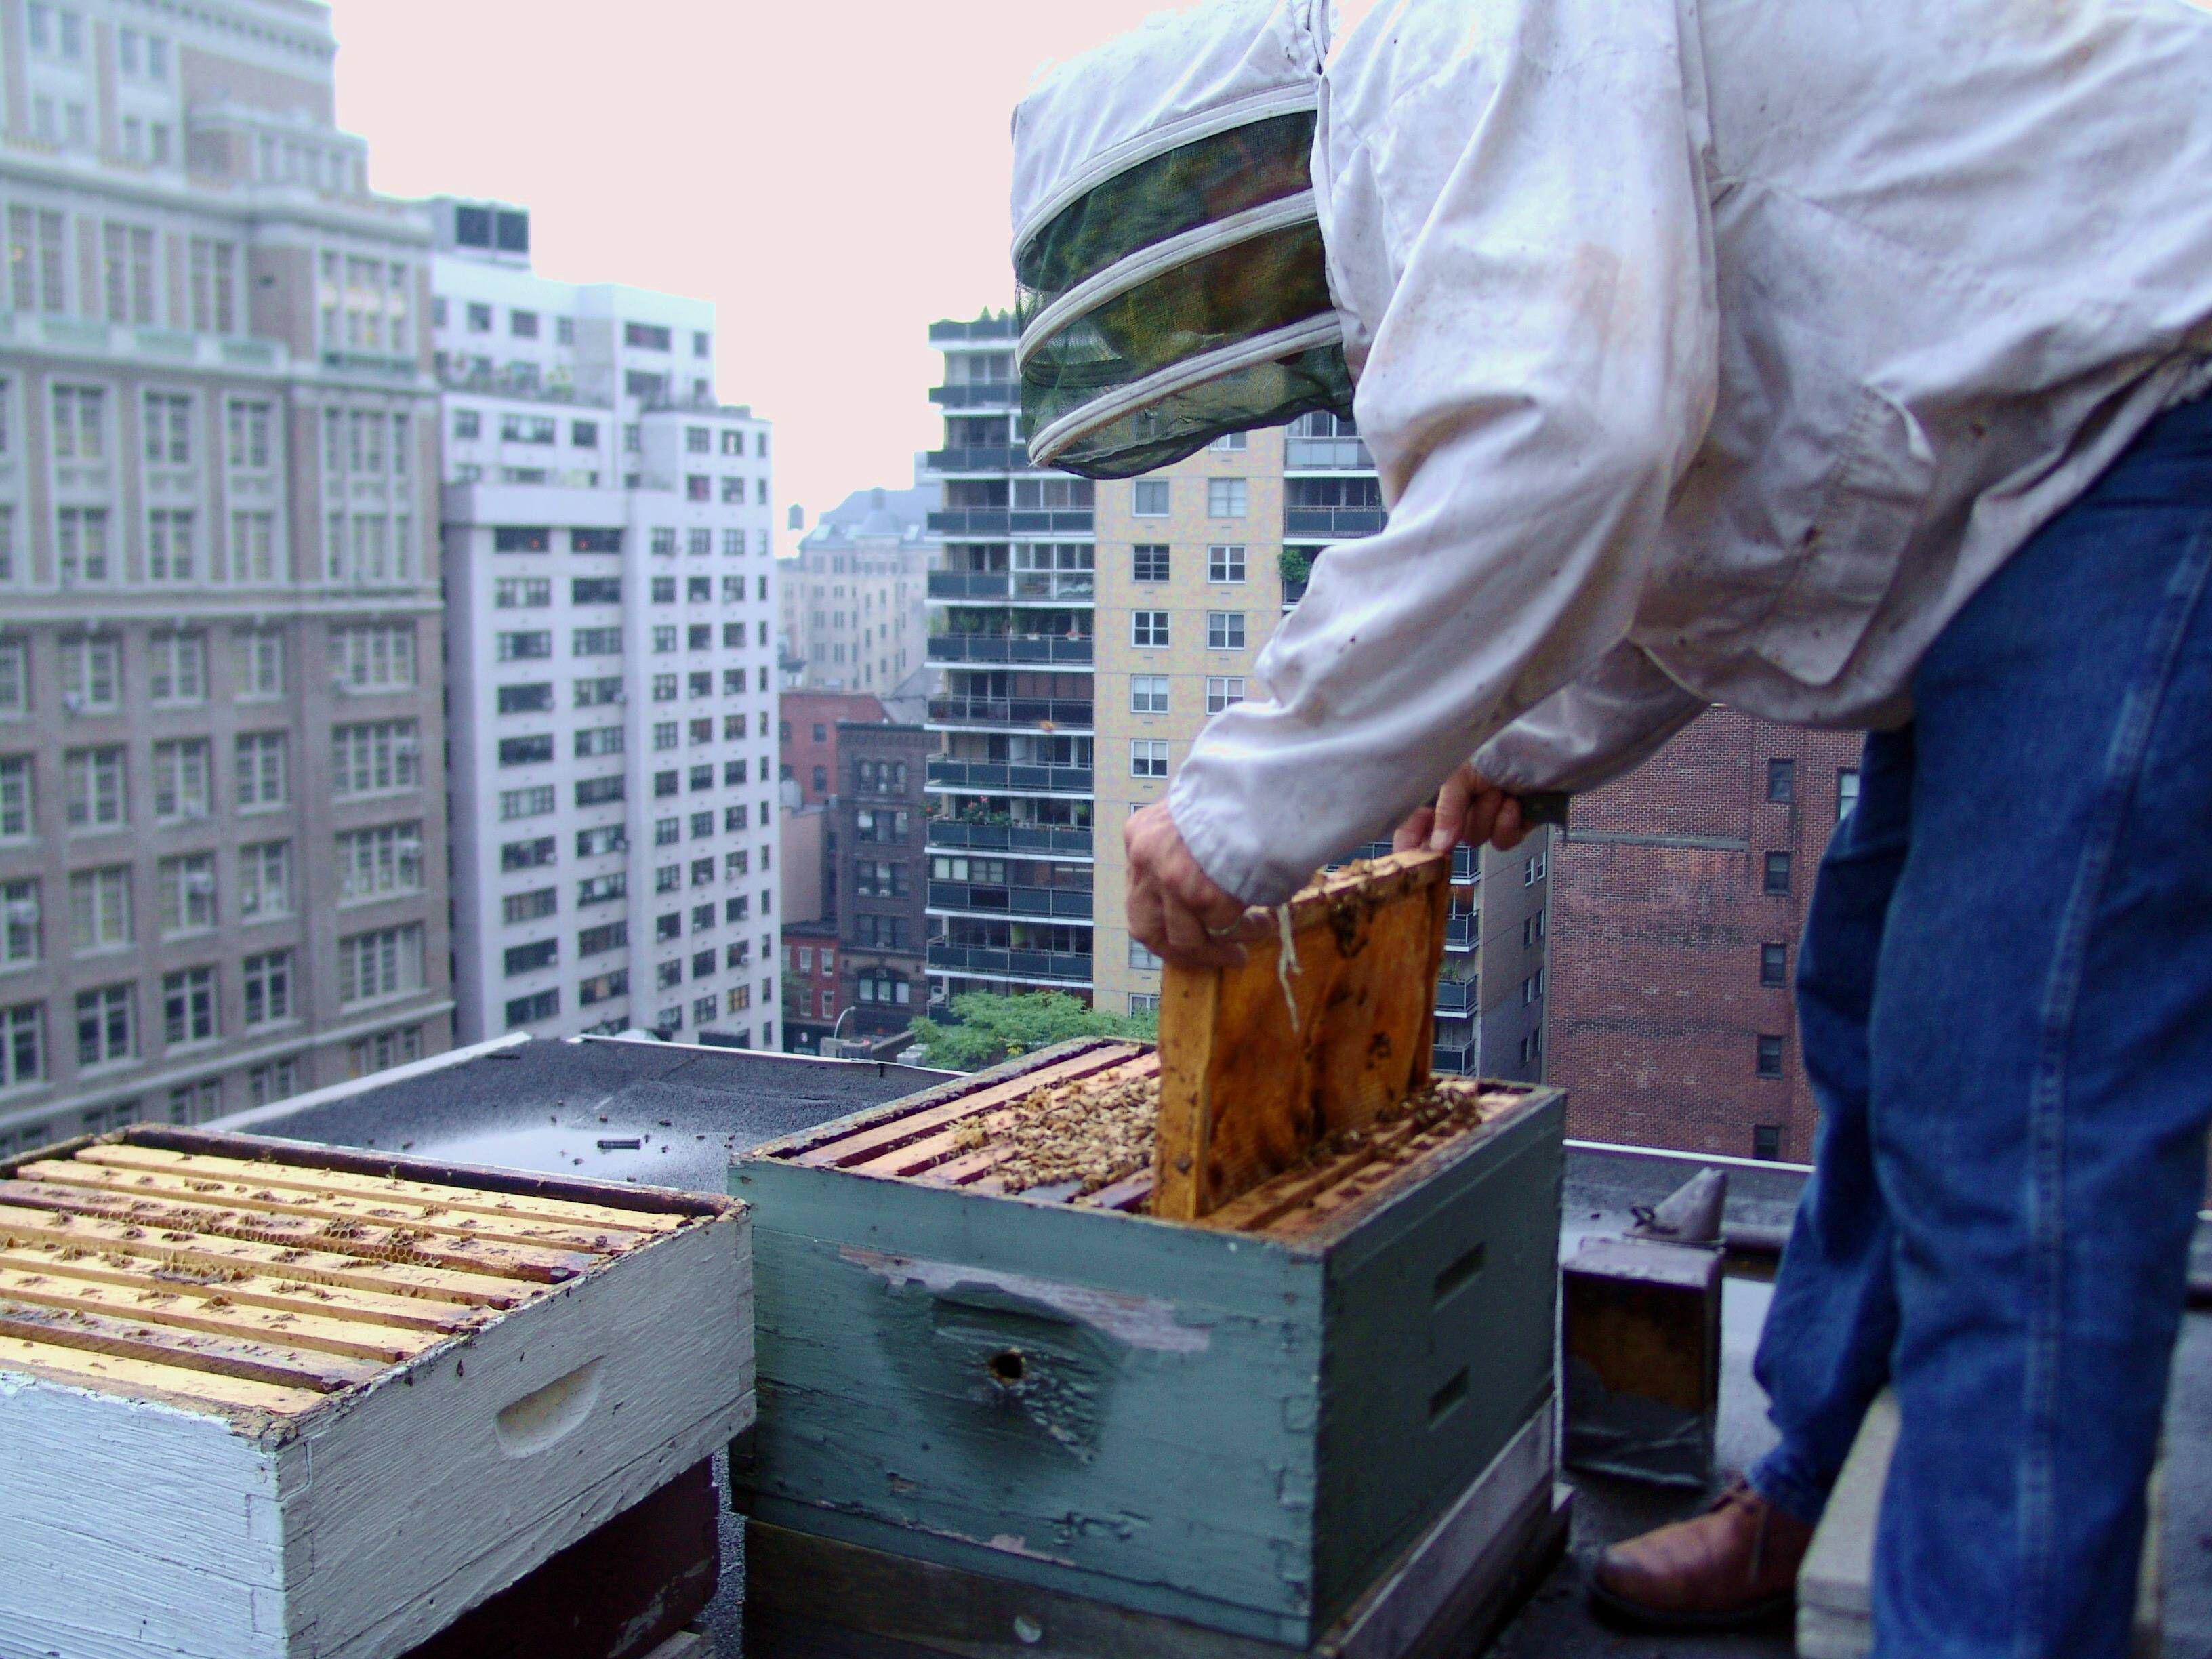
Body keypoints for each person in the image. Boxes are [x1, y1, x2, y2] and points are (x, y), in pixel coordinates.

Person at [1008, 0, 2212, 1653]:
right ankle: (1803, 1486)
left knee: (2014, 1098)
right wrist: (1524, 741)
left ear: (1211, 175)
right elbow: (1712, 476)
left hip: (2150, 405)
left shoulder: (1439, 37)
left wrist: (1235, 810)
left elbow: (1572, 441)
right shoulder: (1472, 107)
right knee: (1878, 1003)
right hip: (2021, 459)